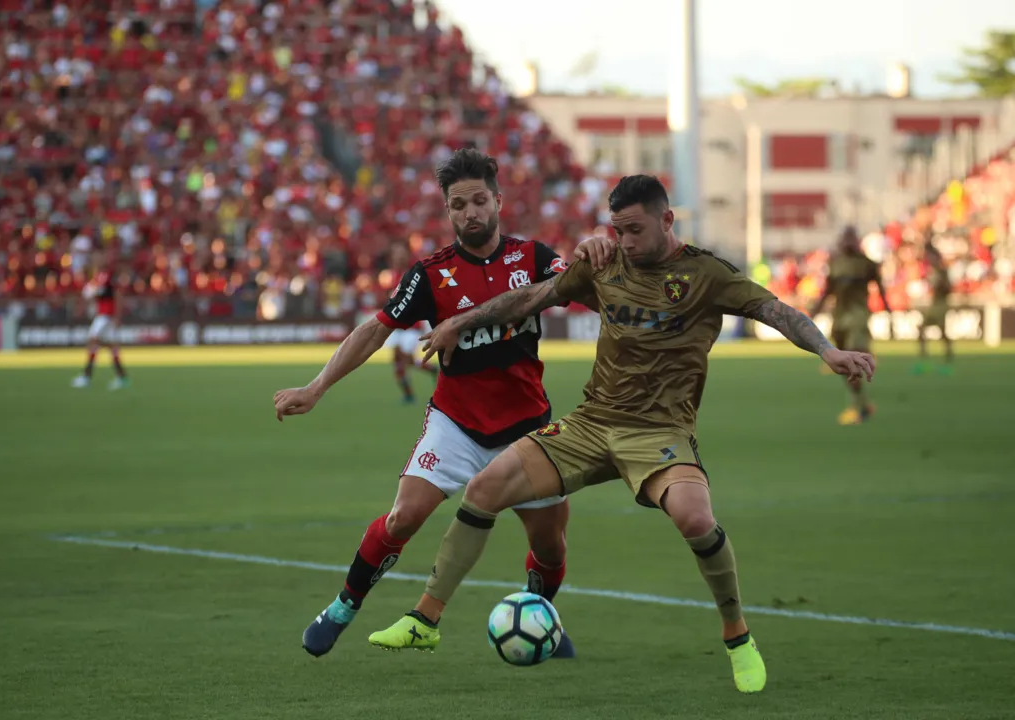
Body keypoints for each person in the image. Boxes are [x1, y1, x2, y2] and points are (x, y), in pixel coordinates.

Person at [367, 175, 876, 695]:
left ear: (666, 220)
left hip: (659, 431)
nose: (626, 242)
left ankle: (737, 635)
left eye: (635, 230)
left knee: (697, 519)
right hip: (592, 423)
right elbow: (529, 298)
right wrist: (462, 323)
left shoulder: (706, 274)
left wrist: (827, 350)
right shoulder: (605, 263)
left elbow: (777, 311)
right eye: (618, 230)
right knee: (483, 490)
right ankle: (425, 620)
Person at [273, 148, 612, 659]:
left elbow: (590, 290)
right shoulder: (431, 274)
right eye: (459, 205)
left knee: (550, 546)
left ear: (498, 201)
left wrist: (595, 256)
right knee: (403, 517)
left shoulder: (534, 259)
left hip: (527, 430)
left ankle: (540, 617)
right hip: (456, 424)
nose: (470, 212)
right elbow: (374, 331)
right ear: (448, 211)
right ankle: (342, 608)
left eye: (479, 201)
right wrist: (316, 387)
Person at [811, 227, 890, 425]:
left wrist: (888, 308)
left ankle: (860, 407)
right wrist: (815, 311)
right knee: (841, 361)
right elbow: (828, 290)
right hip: (839, 319)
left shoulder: (867, 265)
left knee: (851, 359)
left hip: (858, 316)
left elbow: (880, 287)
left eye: (850, 239)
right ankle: (862, 402)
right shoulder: (835, 263)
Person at [383, 245, 439, 403]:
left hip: (411, 326)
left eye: (401, 255)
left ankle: (429, 372)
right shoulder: (390, 276)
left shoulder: (413, 275)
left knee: (404, 359)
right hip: (395, 325)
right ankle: (409, 393)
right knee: (397, 360)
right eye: (396, 255)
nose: (399, 258)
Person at [72, 266, 129, 390]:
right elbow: (91, 295)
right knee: (108, 348)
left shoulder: (106, 279)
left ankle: (86, 377)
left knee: (93, 341)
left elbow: (115, 294)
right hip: (103, 316)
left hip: (105, 316)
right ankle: (121, 377)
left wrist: (117, 315)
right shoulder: (97, 280)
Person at [914, 243, 954, 374]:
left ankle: (943, 354)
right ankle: (930, 354)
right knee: (931, 329)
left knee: (939, 330)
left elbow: (948, 288)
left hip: (940, 305)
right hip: (936, 304)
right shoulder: (934, 270)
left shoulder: (941, 270)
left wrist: (938, 285)